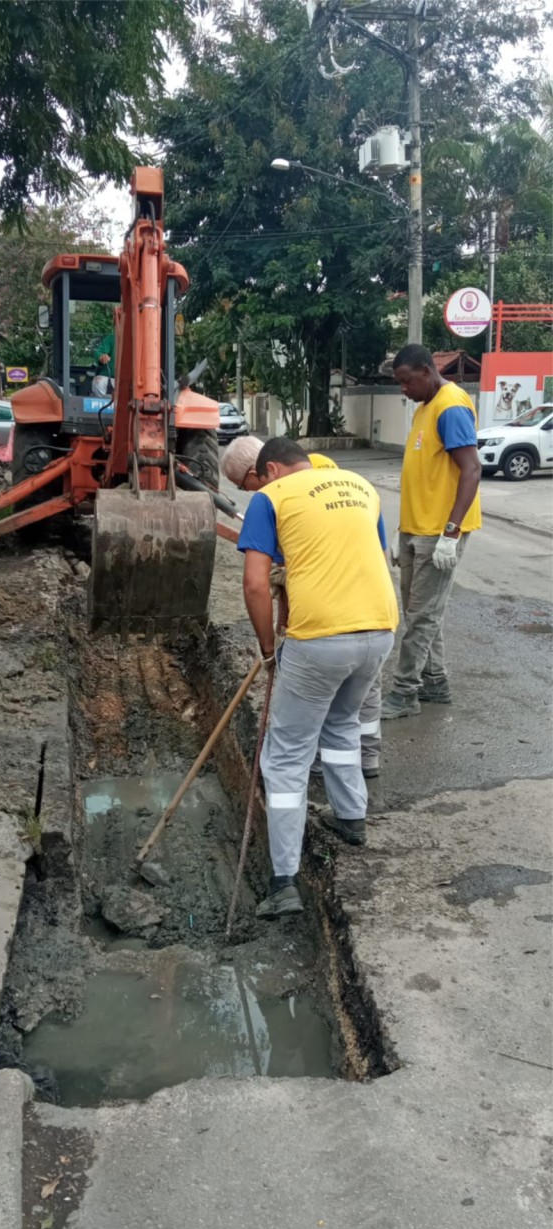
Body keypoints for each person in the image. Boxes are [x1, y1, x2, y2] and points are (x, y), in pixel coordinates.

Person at [236, 437, 399, 920]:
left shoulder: (270, 498)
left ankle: (283, 880)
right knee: (342, 725)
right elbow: (374, 557)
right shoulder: (361, 485)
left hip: (321, 640)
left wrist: (269, 649)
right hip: (379, 630)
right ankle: (351, 819)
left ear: (269, 470)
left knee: (285, 757)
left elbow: (254, 583)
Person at [222, 435, 385, 779]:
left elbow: (262, 577)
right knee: (347, 709)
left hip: (331, 613)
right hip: (376, 614)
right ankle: (353, 767)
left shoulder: (279, 491)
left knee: (327, 701)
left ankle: (331, 760)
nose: (252, 492)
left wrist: (268, 649)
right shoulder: (345, 479)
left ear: (264, 470)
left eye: (248, 484)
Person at [380, 343, 482, 719]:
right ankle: (435, 681)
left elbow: (471, 470)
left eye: (406, 382)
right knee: (420, 612)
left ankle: (405, 692)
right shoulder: (426, 408)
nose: (403, 390)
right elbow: (424, 477)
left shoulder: (451, 406)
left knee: (422, 616)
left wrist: (451, 534)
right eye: (399, 383)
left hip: (439, 533)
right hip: (415, 529)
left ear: (426, 371)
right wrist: (401, 529)